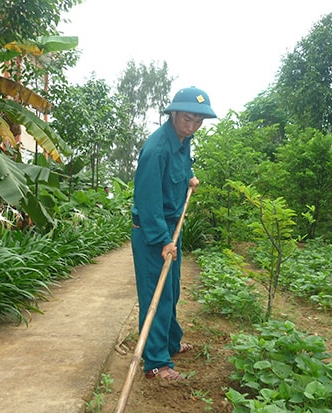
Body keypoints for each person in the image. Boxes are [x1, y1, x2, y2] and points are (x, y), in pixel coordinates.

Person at [131, 86, 216, 380]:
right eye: (187, 119)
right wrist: (162, 240)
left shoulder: (183, 141)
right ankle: (156, 362)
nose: (192, 127)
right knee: (157, 295)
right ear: (174, 114)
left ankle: (169, 343)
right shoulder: (156, 150)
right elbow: (148, 200)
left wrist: (188, 179)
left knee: (172, 291)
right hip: (153, 232)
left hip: (170, 228)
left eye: (198, 122)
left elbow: (176, 173)